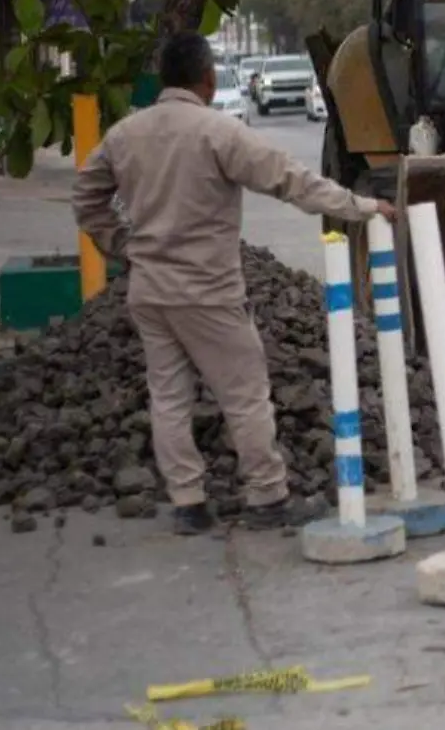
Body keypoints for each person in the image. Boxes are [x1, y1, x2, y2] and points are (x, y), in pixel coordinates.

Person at [73, 32, 398, 535]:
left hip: (150, 289)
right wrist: (362, 207)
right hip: (207, 290)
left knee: (169, 396)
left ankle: (188, 503)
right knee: (244, 393)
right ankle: (267, 496)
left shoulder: (124, 135)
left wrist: (121, 246)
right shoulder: (217, 132)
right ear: (207, 79)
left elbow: (86, 198)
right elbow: (291, 181)